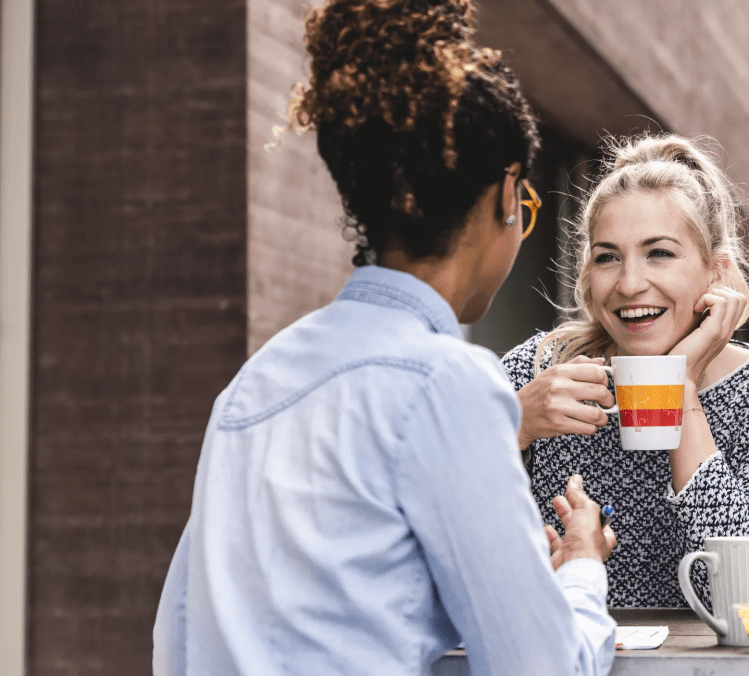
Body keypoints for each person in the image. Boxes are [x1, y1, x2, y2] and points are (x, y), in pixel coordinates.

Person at [152, 1, 618, 674]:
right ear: (508, 194)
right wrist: (580, 570)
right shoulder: (447, 382)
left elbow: (181, 636)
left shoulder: (255, 382)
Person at [501, 133, 749, 611]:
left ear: (716, 272)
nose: (630, 284)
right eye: (608, 257)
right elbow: (443, 525)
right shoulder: (539, 374)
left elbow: (745, 592)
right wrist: (515, 425)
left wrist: (682, 387)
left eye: (660, 253)